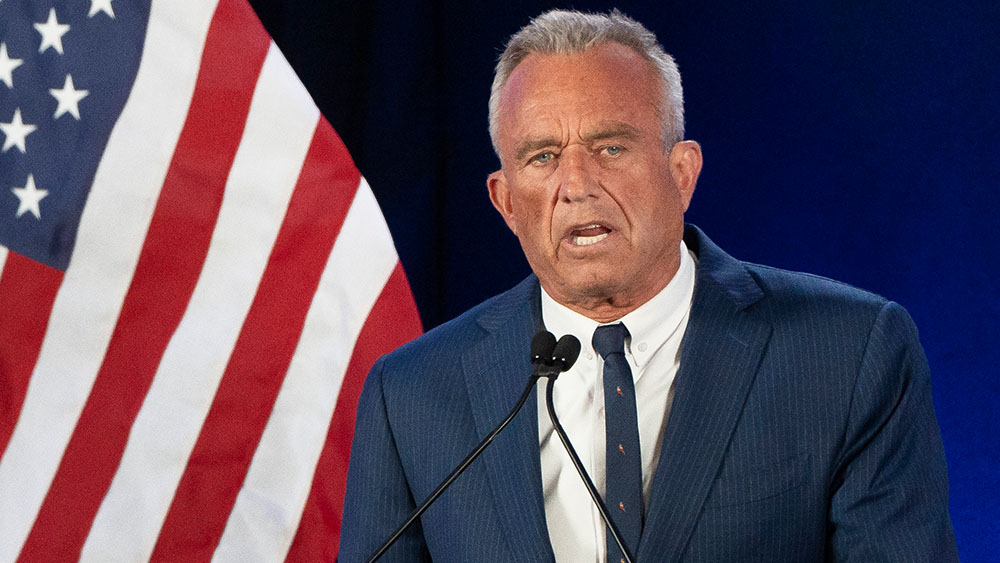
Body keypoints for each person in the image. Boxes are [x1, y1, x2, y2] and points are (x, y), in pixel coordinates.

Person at [339, 9, 958, 562]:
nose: (576, 185)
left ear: (682, 174)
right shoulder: (413, 396)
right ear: (505, 202)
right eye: (543, 157)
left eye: (610, 148)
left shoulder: (849, 354)